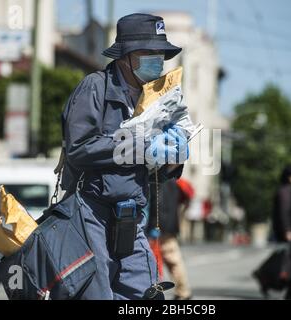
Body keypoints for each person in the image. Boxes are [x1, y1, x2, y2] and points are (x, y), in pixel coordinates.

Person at [59, 13, 188, 299]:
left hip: (130, 216)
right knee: (96, 294)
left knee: (148, 296)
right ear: (126, 56)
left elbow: (153, 168)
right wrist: (138, 146)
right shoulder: (95, 87)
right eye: (148, 52)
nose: (157, 59)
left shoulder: (154, 99)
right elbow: (79, 148)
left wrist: (172, 160)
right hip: (90, 213)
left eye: (160, 53)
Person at [147, 178, 193, 300]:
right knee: (172, 260)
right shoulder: (174, 181)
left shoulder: (158, 180)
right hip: (169, 226)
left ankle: (180, 292)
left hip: (160, 227)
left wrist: (153, 226)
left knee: (157, 260)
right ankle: (182, 292)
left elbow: (158, 204)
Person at [268, 164, 291, 299]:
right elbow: (284, 212)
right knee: (289, 263)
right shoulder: (285, 191)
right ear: (290, 177)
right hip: (289, 233)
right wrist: (287, 230)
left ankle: (289, 291)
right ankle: (286, 291)